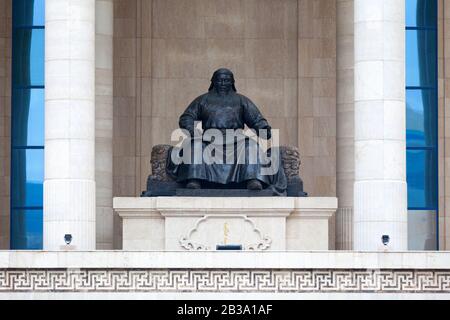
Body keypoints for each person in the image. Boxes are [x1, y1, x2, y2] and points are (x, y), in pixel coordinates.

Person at [166, 68, 286, 194]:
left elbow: (256, 119)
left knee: (251, 146)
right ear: (213, 82)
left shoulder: (241, 100)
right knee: (196, 145)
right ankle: (194, 179)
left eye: (226, 81)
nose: (223, 83)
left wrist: (263, 128)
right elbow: (187, 117)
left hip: (236, 139)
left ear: (232, 83)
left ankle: (253, 179)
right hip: (209, 140)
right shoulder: (203, 100)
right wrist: (193, 132)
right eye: (220, 80)